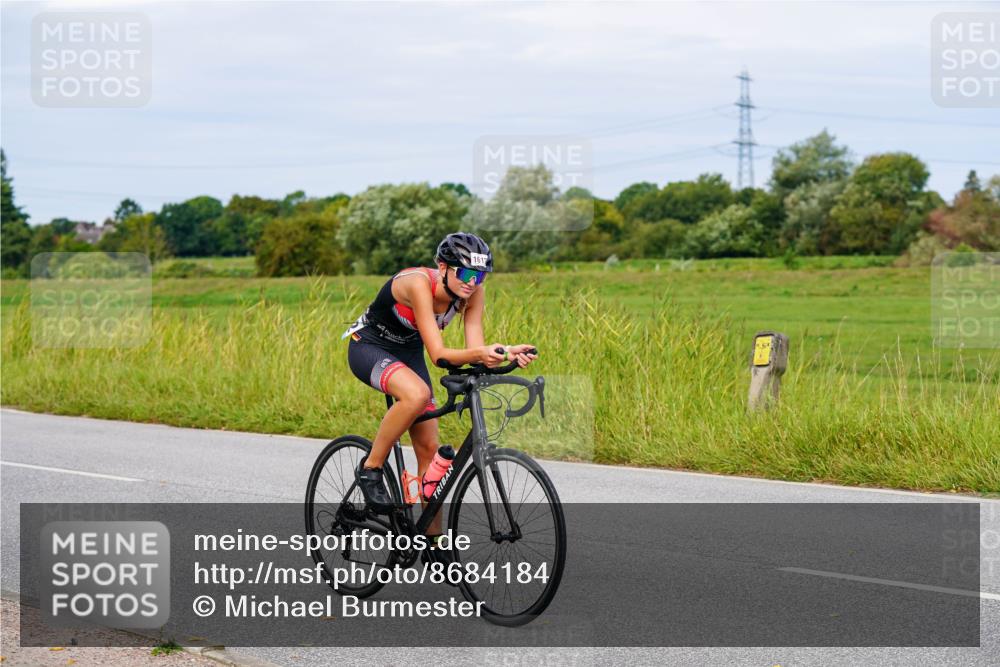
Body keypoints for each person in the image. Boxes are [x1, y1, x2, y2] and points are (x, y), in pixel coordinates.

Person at [343, 232, 537, 527]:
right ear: (443, 267)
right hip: (369, 347)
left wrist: (506, 353)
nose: (472, 282)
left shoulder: (471, 293)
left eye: (480, 276)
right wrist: (483, 353)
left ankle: (434, 546)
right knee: (417, 395)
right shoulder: (418, 283)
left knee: (430, 453)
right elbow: (439, 355)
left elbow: (475, 349)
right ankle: (371, 468)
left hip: (408, 352)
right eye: (467, 272)